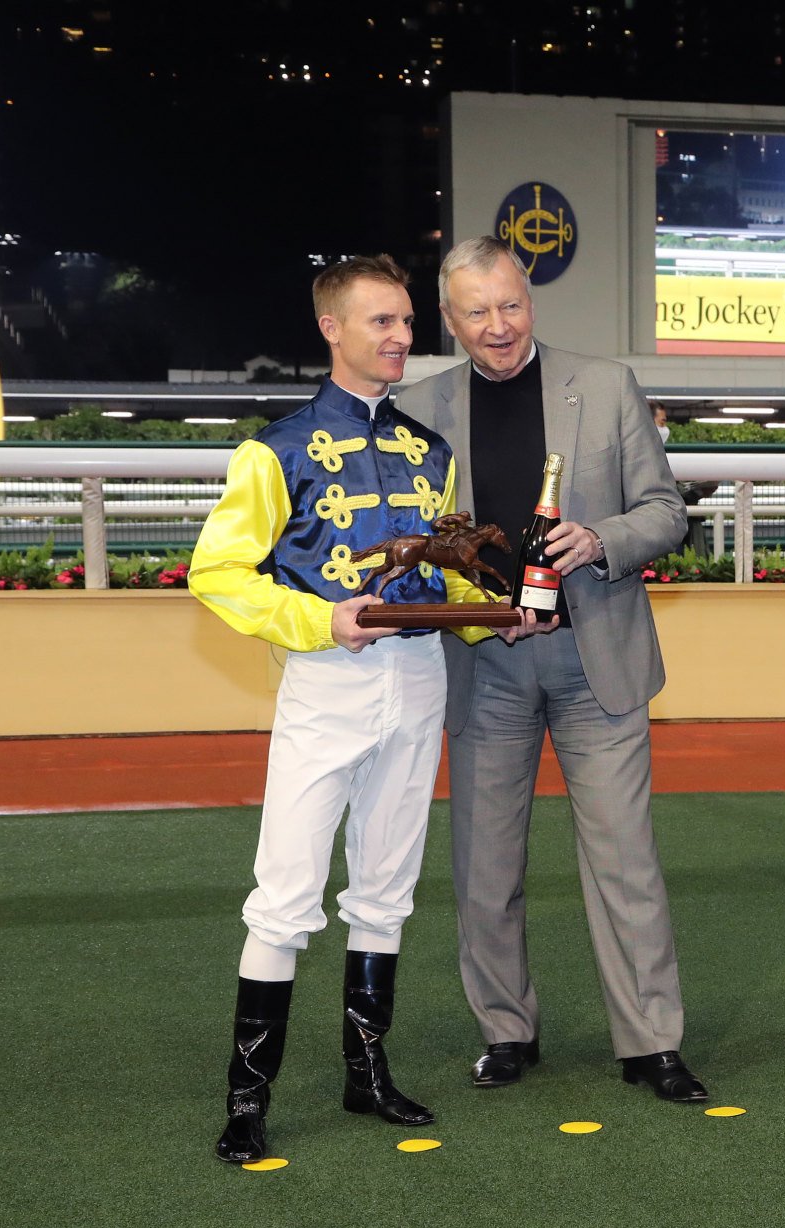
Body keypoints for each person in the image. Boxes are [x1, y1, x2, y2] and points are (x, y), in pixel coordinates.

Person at [403, 236, 710, 1104]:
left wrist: (601, 539)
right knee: (484, 869)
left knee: (626, 864)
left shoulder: (607, 384)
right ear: (450, 318)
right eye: (476, 312)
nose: (497, 326)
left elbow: (665, 512)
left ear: (528, 299)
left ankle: (650, 1043)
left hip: (595, 661)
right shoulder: (419, 408)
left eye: (510, 305)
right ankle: (506, 1030)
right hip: (483, 667)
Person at [192, 255, 465, 1164]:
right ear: (331, 329)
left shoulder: (433, 453)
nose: (399, 338)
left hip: (419, 676)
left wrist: (495, 613)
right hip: (327, 681)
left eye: (404, 321)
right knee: (285, 895)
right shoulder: (273, 449)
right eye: (380, 322)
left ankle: (366, 1073)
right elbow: (218, 573)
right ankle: (246, 1100)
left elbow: (446, 571)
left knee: (386, 886)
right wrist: (317, 618)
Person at [653, 400, 719, 554]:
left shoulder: (666, 454)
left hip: (682, 522)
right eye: (662, 422)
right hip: (661, 525)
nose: (664, 428)